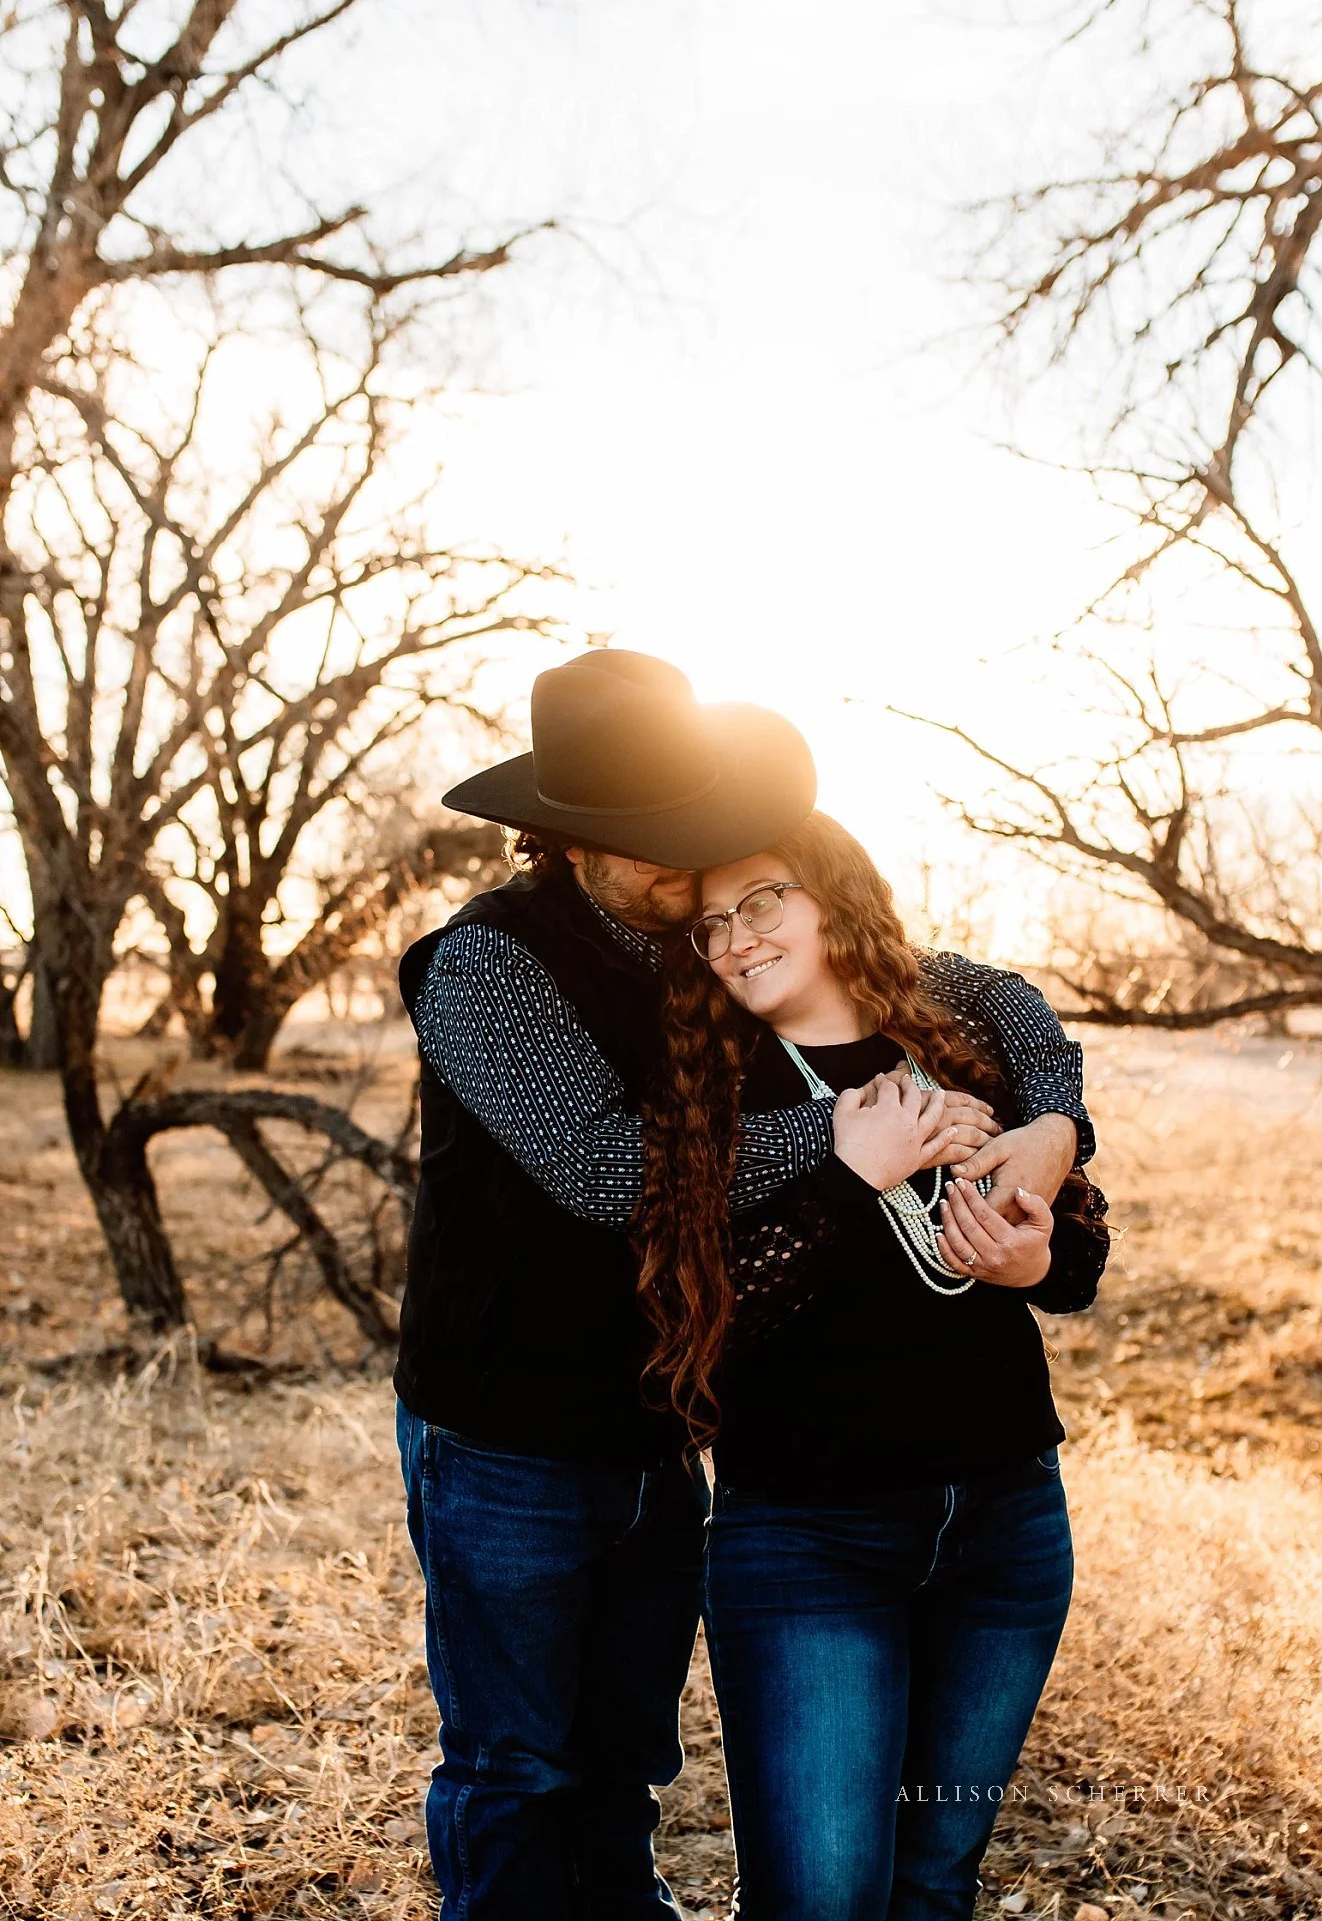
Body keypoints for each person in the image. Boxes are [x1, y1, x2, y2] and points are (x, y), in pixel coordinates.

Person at [394, 649, 1096, 1920]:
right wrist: (838, 1146)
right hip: (513, 1431)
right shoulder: (487, 965)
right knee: (519, 1766)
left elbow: (990, 992)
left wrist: (1053, 1126)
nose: (701, 882)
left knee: (622, 1764)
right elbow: (612, 1171)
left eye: (712, 848)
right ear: (565, 838)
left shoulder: (704, 946)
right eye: (658, 846)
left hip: (660, 1434)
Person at [635, 811, 1110, 1921]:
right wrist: (852, 1175)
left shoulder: (956, 1042)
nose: (738, 937)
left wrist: (1036, 1255)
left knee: (935, 1882)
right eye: (711, 924)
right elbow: (703, 1327)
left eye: (765, 901)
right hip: (810, 1543)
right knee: (822, 1898)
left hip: (1007, 1524)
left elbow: (1077, 1259)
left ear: (833, 894)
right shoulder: (709, 1089)